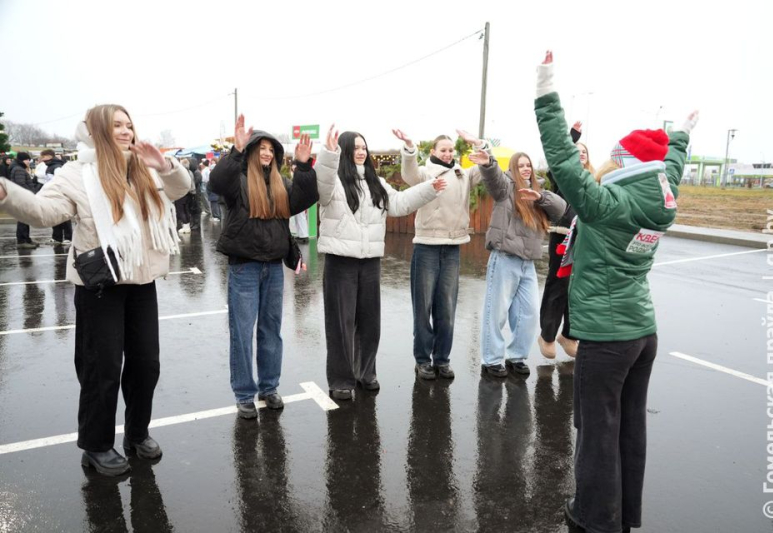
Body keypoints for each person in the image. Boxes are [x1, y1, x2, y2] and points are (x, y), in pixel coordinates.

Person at [534, 50, 698, 533]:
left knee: (597, 433)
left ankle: (594, 516)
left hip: (605, 338)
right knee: (629, 427)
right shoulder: (661, 197)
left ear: (623, 163)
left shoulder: (606, 203)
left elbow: (562, 159)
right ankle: (624, 514)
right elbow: (674, 164)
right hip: (642, 333)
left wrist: (545, 91)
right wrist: (682, 134)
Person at [0, 104, 192, 476]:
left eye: (128, 125)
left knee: (145, 365)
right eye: (116, 125)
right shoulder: (76, 173)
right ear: (96, 131)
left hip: (142, 282)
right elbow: (43, 212)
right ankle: (96, 444)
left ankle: (137, 433)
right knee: (101, 368)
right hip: (100, 286)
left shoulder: (142, 167)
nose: (125, 131)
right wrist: (7, 194)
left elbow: (180, 190)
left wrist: (165, 166)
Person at [316, 125, 446, 401]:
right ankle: (341, 379)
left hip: (370, 261)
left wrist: (428, 189)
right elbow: (323, 178)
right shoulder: (334, 181)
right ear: (345, 151)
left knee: (369, 323)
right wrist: (329, 153)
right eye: (355, 148)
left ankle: (366, 372)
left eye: (364, 148)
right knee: (341, 325)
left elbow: (398, 203)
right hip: (341, 261)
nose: (361, 153)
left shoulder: (375, 182)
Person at [209, 115, 318, 419]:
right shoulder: (238, 180)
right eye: (261, 147)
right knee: (242, 332)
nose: (267, 153)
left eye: (271, 148)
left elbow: (305, 197)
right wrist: (235, 150)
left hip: (272, 268)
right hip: (244, 268)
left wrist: (304, 166)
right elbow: (216, 183)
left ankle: (269, 388)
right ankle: (244, 393)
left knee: (271, 331)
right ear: (252, 151)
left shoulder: (281, 183)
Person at [392, 128, 489, 380]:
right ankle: (423, 360)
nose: (447, 154)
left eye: (450, 150)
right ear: (433, 152)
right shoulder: (424, 173)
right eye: (443, 150)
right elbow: (409, 173)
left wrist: (480, 145)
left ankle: (442, 360)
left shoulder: (464, 174)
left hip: (452, 248)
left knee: (446, 308)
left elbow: (489, 168)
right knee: (423, 307)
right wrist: (410, 147)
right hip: (426, 246)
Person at [469, 148, 566, 378]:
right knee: (497, 312)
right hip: (504, 257)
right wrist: (488, 163)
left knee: (529, 314)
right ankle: (492, 360)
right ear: (514, 168)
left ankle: (517, 357)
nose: (525, 168)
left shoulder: (539, 192)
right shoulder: (507, 187)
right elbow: (494, 179)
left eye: (528, 165)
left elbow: (561, 210)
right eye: (521, 165)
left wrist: (540, 196)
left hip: (527, 263)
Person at [538, 127, 595, 359]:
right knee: (558, 285)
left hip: (587, 239)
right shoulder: (564, 174)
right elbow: (555, 162)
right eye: (576, 151)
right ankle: (548, 336)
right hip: (563, 235)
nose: (580, 153)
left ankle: (569, 335)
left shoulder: (593, 179)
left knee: (580, 289)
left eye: (584, 151)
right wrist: (572, 138)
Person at [35, 148, 73, 244]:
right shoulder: (49, 166)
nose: (42, 159)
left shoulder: (57, 166)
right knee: (55, 217)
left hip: (60, 195)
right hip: (52, 195)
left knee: (64, 217)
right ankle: (57, 237)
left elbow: (61, 181)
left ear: (49, 156)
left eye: (44, 156)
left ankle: (68, 237)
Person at [8, 152, 39, 248]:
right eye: (27, 160)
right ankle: (22, 241)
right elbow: (21, 184)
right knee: (23, 219)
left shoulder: (19, 168)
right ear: (22, 160)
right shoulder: (18, 169)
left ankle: (26, 239)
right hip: (22, 197)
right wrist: (30, 193)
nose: (28, 162)